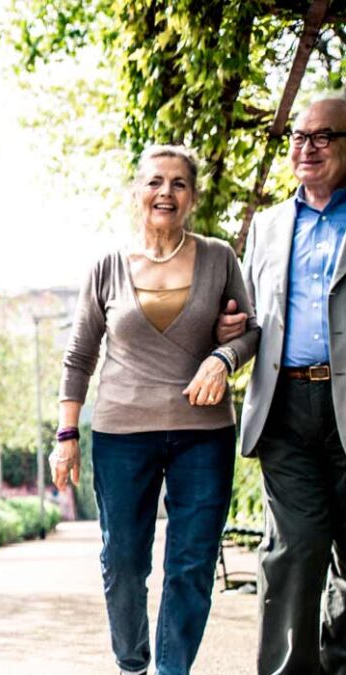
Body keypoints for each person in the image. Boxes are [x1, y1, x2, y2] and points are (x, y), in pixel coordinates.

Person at [52, 145, 259, 675]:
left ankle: (172, 669)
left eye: (178, 183)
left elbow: (250, 331)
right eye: (154, 182)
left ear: (192, 196)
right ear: (137, 192)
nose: (165, 192)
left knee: (190, 564)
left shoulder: (218, 258)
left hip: (203, 434)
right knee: (122, 562)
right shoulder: (107, 266)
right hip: (123, 433)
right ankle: (131, 661)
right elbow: (79, 356)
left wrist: (223, 355)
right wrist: (67, 433)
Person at [217, 96, 346, 675]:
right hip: (286, 405)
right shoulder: (268, 226)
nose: (306, 148)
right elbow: (249, 313)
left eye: (323, 137)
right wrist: (228, 334)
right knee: (293, 548)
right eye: (298, 136)